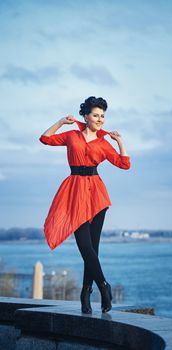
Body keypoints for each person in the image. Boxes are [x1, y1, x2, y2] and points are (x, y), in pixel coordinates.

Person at [39, 96, 131, 313]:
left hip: (96, 194)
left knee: (94, 248)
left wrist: (120, 142)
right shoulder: (72, 136)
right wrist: (61, 122)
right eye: (96, 115)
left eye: (102, 116)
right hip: (74, 192)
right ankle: (104, 287)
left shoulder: (104, 143)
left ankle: (85, 292)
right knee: (84, 245)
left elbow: (124, 164)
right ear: (85, 116)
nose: (100, 119)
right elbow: (45, 139)